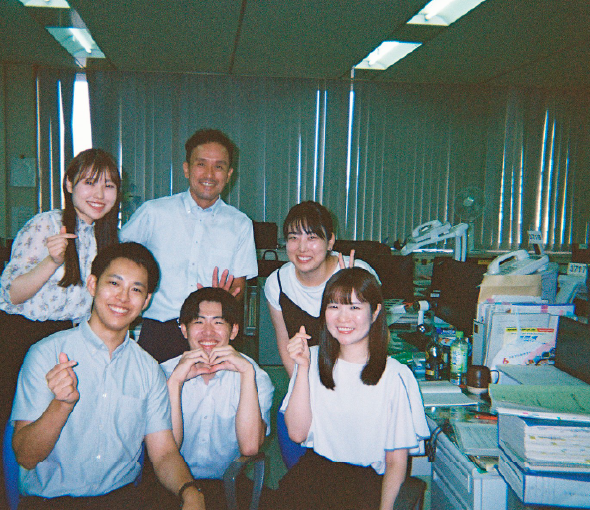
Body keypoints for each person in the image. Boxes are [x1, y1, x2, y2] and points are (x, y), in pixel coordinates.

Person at [11, 242, 205, 510]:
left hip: (120, 500)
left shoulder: (149, 370)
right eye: (114, 283)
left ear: (146, 301)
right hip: (50, 502)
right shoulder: (46, 354)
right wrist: (61, 405)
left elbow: (164, 453)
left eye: (136, 289)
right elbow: (26, 456)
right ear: (93, 285)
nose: (123, 298)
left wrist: (190, 491)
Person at [0, 149, 121, 510]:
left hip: (64, 343)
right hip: (18, 338)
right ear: (69, 184)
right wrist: (53, 260)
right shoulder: (46, 224)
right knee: (3, 439)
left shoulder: (105, 237)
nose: (99, 194)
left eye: (108, 186)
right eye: (90, 182)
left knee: (47, 437)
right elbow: (12, 293)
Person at [273, 268, 429, 510]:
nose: (342, 318)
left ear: (375, 312)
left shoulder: (395, 375)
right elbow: (297, 434)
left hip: (364, 485)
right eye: (334, 306)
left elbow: (396, 463)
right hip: (312, 476)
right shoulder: (310, 359)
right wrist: (302, 368)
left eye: (354, 307)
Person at [119, 128, 258, 363]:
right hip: (158, 332)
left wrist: (224, 298)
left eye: (219, 166)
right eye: (201, 164)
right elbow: (118, 261)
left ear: (229, 174)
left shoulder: (240, 224)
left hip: (210, 335)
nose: (209, 174)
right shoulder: (154, 213)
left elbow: (238, 287)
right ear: (186, 169)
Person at [160, 287, 274, 509]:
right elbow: (166, 451)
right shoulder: (163, 373)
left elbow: (250, 448)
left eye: (218, 322)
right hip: (172, 483)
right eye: (199, 322)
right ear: (184, 329)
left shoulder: (255, 376)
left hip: (229, 484)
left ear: (234, 330)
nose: (208, 332)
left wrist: (246, 374)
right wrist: (175, 383)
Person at [263, 201, 377, 377]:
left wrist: (350, 294)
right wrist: (300, 385)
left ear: (330, 241)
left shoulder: (358, 272)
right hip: (307, 378)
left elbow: (380, 336)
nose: (302, 248)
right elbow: (285, 344)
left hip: (359, 375)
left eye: (312, 238)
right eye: (293, 238)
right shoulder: (277, 283)